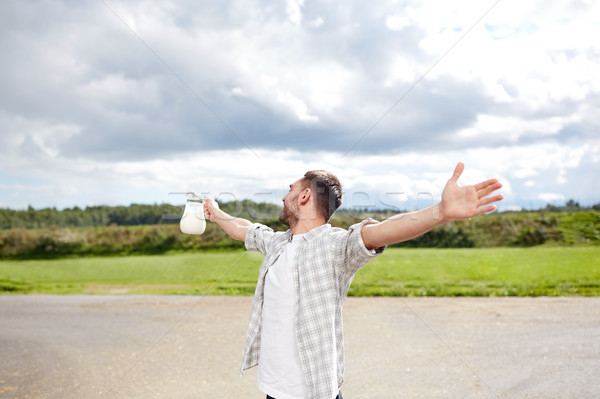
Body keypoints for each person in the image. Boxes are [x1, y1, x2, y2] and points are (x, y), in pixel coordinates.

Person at [203, 162, 503, 399]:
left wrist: (441, 212)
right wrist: (216, 213)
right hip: (273, 388)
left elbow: (385, 230)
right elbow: (242, 227)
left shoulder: (337, 246)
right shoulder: (277, 243)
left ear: (305, 195)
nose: (284, 196)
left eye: (290, 189)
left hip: (315, 390)